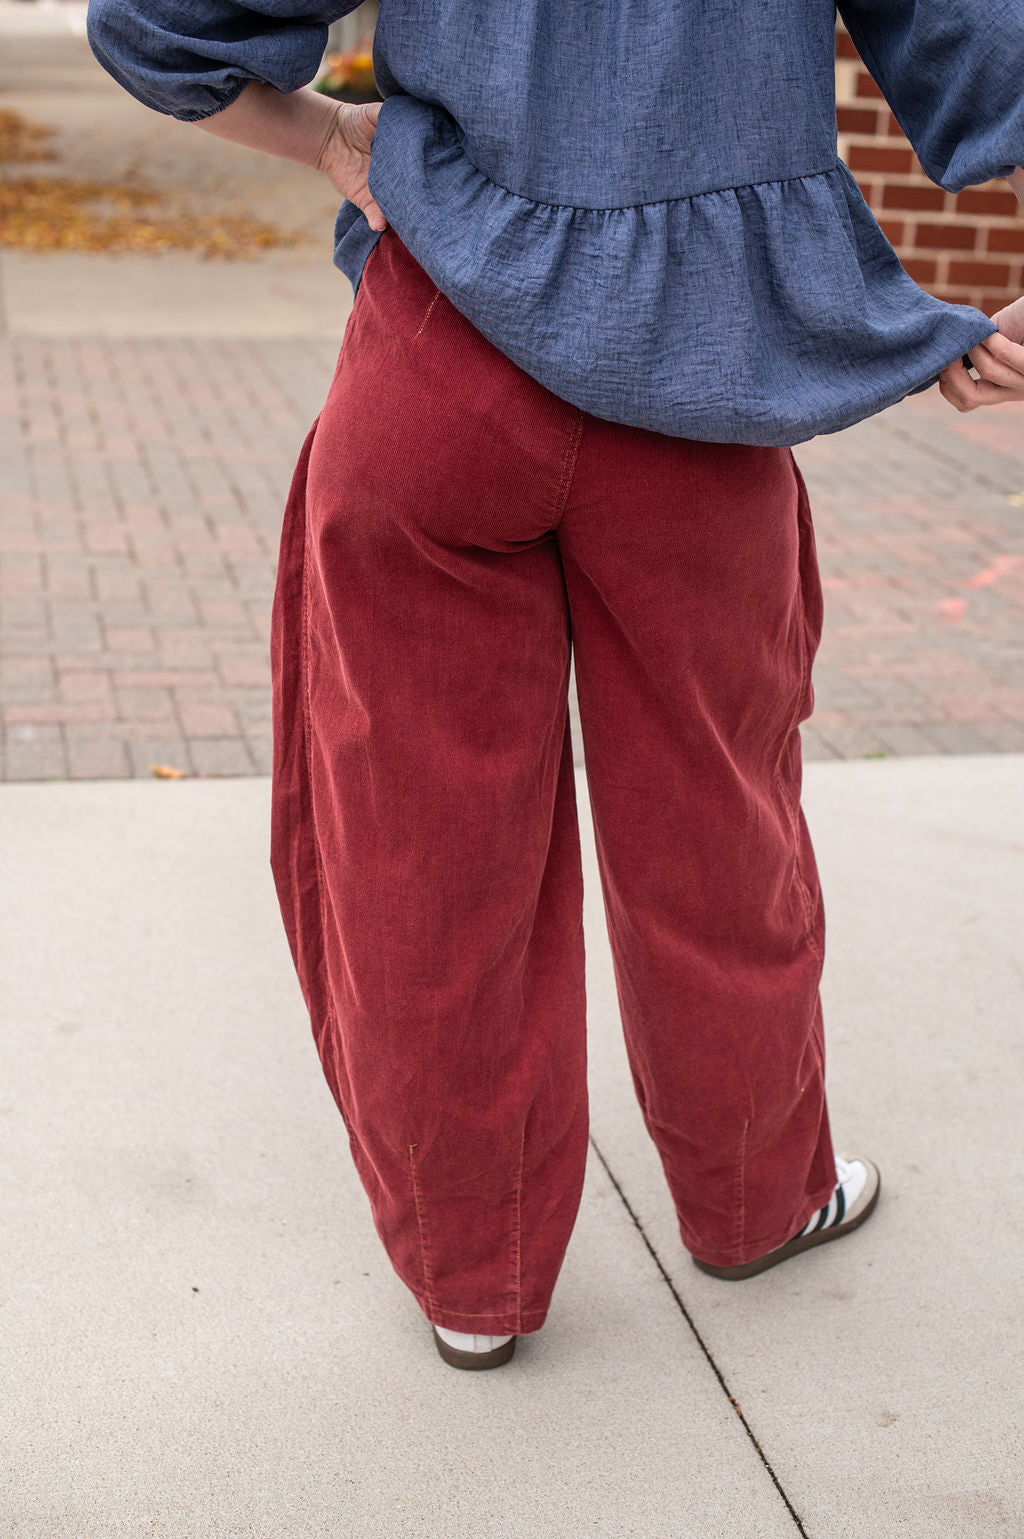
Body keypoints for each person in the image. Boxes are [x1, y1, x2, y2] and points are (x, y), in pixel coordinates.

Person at [86, 0, 1024, 1371]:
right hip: (698, 403)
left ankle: (475, 1278)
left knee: (421, 843)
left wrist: (328, 134)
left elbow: (158, 31)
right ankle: (757, 1198)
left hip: (439, 365)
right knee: (716, 813)